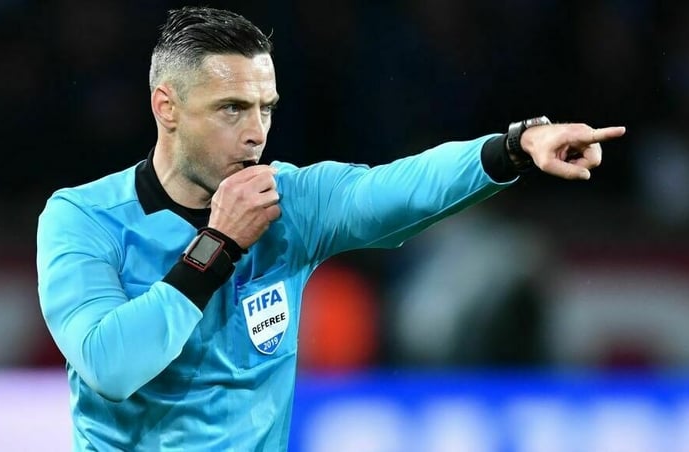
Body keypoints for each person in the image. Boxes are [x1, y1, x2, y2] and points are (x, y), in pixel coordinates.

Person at [36, 6, 625, 451]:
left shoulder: (291, 202)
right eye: (231, 108)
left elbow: (396, 189)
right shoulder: (83, 218)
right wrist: (218, 245)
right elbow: (110, 367)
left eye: (265, 108)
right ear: (166, 108)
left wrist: (513, 147)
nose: (256, 133)